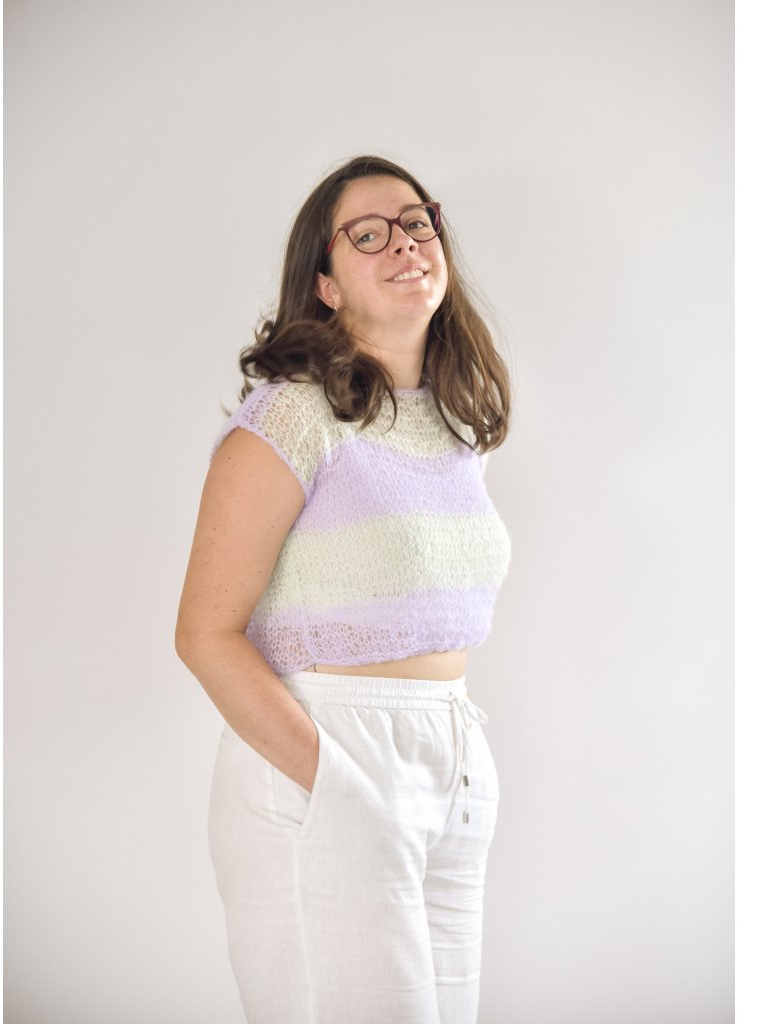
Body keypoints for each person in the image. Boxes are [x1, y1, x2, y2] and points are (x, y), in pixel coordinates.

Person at [174, 154, 513, 1024]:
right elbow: (205, 634)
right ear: (325, 285)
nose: (404, 243)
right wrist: (339, 783)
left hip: (451, 769)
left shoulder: (454, 422)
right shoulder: (290, 418)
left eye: (417, 222)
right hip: (326, 756)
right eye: (367, 234)